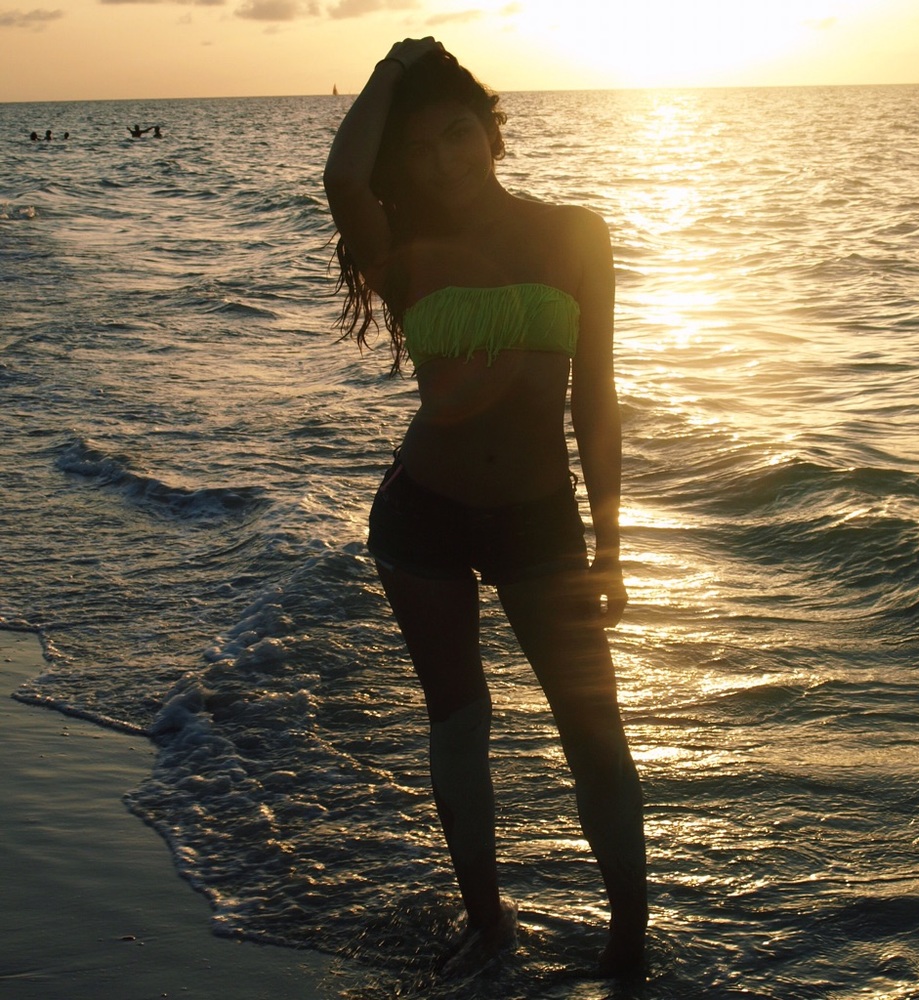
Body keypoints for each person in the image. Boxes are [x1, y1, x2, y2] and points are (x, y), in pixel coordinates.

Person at [324, 37, 647, 979]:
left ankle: (628, 942)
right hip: (423, 518)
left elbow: (597, 397)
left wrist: (612, 543)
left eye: (458, 133)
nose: (443, 161)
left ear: (492, 130)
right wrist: (389, 70)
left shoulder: (576, 233)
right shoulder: (403, 250)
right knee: (460, 721)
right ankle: (487, 924)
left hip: (542, 517)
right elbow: (342, 175)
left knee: (595, 730)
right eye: (419, 150)